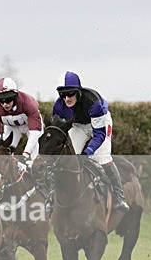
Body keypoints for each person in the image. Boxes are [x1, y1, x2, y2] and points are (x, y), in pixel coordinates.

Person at [52, 71, 130, 213]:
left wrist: (88, 151)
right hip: (79, 126)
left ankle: (120, 197)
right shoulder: (59, 107)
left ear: (78, 92)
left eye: (70, 94)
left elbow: (99, 135)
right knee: (68, 157)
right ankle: (52, 197)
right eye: (63, 95)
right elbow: (58, 131)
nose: (67, 98)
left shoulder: (93, 103)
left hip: (100, 124)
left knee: (103, 157)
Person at [0, 77, 44, 164]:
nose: (5, 104)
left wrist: (25, 154)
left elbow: (34, 133)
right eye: (1, 100)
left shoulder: (28, 103)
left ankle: (35, 170)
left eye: (8, 99)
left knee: (33, 152)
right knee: (4, 152)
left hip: (30, 127)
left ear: (15, 96)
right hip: (11, 127)